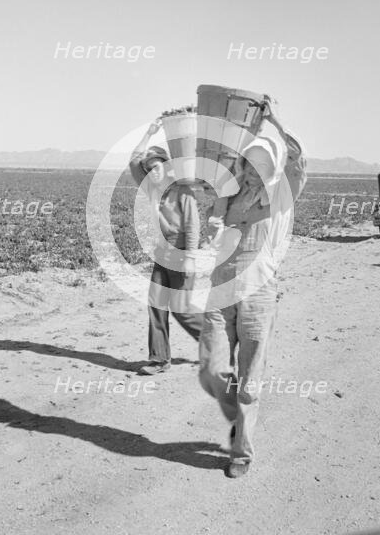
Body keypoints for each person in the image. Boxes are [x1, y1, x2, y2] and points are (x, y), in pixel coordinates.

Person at [198, 101, 307, 478]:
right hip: (221, 289)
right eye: (249, 161)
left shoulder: (281, 197)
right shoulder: (228, 194)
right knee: (211, 369)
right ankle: (236, 418)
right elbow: (210, 208)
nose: (254, 169)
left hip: (259, 294)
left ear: (272, 166)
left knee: (249, 380)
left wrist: (273, 119)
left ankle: (241, 453)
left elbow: (296, 159)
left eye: (263, 162)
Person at [129, 119, 203, 375]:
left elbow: (193, 227)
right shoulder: (152, 188)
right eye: (149, 169)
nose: (153, 171)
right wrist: (149, 133)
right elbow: (133, 161)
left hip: (181, 254)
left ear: (167, 167)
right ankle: (159, 359)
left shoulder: (184, 193)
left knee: (182, 311)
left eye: (157, 166)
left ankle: (217, 344)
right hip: (162, 255)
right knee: (156, 305)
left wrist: (191, 257)